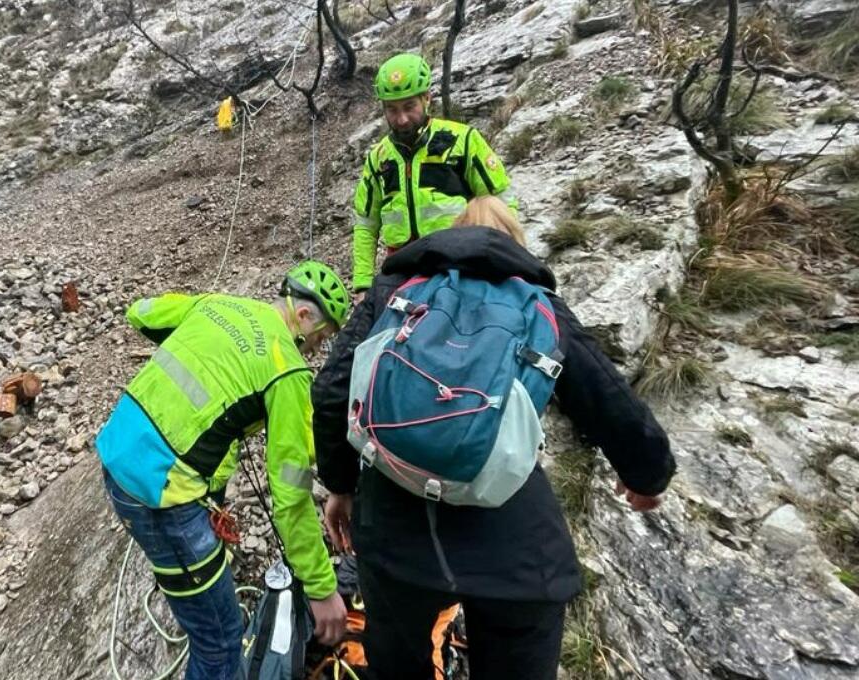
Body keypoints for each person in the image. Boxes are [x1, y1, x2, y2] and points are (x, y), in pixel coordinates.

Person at [311, 197, 676, 679]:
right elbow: (608, 397)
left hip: (396, 532)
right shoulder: (538, 305)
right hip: (512, 544)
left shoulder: (396, 288)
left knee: (397, 660)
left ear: (449, 236)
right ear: (515, 244)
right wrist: (647, 477)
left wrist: (340, 487)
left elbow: (333, 389)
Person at [96, 261, 352, 679]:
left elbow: (141, 311)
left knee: (209, 617)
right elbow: (291, 492)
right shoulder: (288, 371)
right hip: (164, 497)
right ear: (303, 315)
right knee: (220, 642)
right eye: (319, 339)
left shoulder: (220, 305)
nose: (314, 350)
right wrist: (322, 588)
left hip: (117, 451)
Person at [351, 53, 518, 300]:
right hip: (401, 268)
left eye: (409, 107)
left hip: (459, 262)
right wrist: (363, 284)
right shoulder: (378, 157)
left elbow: (500, 202)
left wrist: (507, 262)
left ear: (427, 98)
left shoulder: (463, 140)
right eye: (392, 110)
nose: (402, 119)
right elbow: (366, 224)